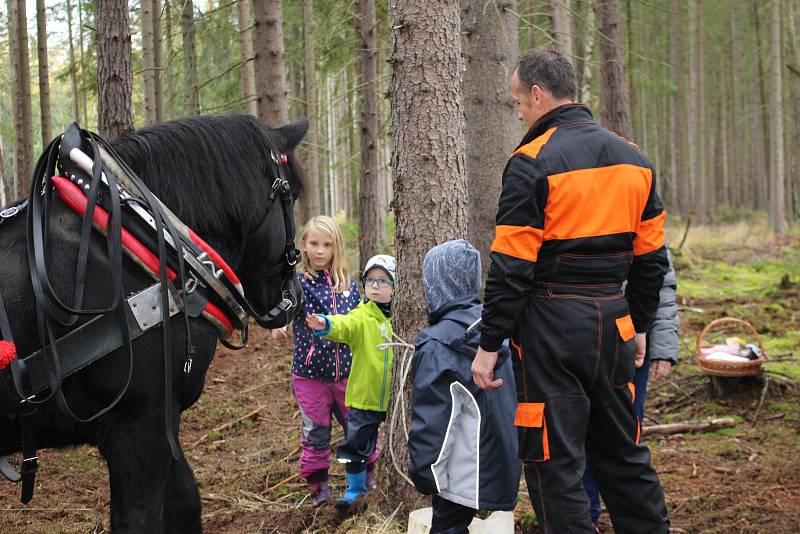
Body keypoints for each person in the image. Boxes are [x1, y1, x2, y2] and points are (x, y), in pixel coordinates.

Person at [471, 48, 671, 533]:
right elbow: (651, 262)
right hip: (614, 321)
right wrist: (638, 325)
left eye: (518, 101)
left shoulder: (530, 163)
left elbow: (511, 268)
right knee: (623, 453)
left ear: (538, 95)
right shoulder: (633, 158)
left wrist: (489, 343)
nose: (518, 111)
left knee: (553, 463)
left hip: (549, 328)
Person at [408, 240, 520, 534]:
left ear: (435, 284)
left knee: (447, 527)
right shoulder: (495, 331)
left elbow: (432, 419)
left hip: (458, 469)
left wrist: (423, 472)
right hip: (500, 456)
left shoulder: (436, 344)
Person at [583, 249, 678, 531]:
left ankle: (634, 519)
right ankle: (586, 515)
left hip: (633, 352)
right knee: (578, 433)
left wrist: (663, 349)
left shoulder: (646, 231)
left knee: (624, 438)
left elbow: (662, 291)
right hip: (581, 346)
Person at [306, 254, 395, 509]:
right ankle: (355, 488)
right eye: (370, 280)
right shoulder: (362, 316)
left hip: (395, 397)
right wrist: (327, 323)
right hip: (363, 398)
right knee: (356, 444)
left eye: (383, 280)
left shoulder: (403, 318)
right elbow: (345, 324)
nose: (375, 286)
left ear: (397, 285)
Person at [290, 215, 365, 506]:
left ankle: (363, 478)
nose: (320, 251)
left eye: (327, 245)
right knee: (316, 431)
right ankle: (318, 487)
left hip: (347, 372)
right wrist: (282, 323)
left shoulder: (348, 284)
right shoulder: (298, 284)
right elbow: (286, 307)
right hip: (310, 375)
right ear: (304, 246)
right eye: (314, 244)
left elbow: (361, 320)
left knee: (356, 426)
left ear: (336, 248)